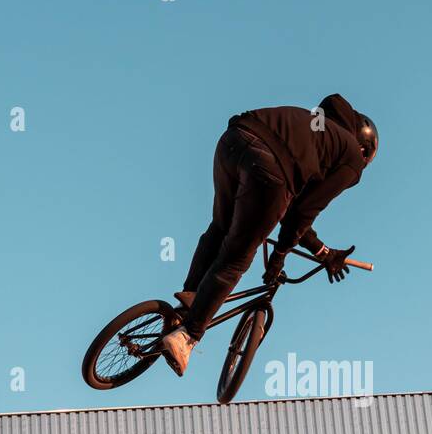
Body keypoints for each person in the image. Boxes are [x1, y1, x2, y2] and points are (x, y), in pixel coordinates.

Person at [159, 93, 377, 376]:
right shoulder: (351, 159)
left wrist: (322, 252)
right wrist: (279, 256)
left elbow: (289, 209)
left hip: (234, 139)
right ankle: (186, 336)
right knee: (237, 257)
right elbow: (304, 211)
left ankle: (186, 302)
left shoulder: (314, 126)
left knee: (220, 228)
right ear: (364, 151)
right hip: (270, 171)